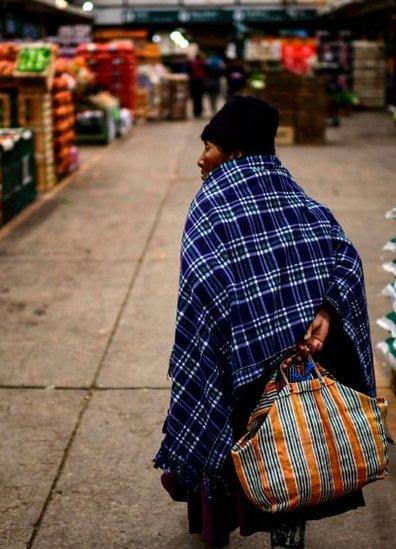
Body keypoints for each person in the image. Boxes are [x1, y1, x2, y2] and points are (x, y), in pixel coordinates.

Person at [154, 95, 374, 548]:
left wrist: (247, 330)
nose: (201, 158)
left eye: (210, 147)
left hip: (238, 362)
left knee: (231, 439)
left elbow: (203, 288)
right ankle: (285, 538)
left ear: (234, 152)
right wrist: (324, 311)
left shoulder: (212, 205)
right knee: (290, 451)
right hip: (291, 362)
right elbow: (345, 261)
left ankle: (219, 530)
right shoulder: (300, 200)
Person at [189, 53, 208, 118]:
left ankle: (196, 111)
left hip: (194, 82)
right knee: (199, 98)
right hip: (198, 82)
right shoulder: (200, 63)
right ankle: (198, 111)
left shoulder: (193, 63)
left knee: (195, 98)